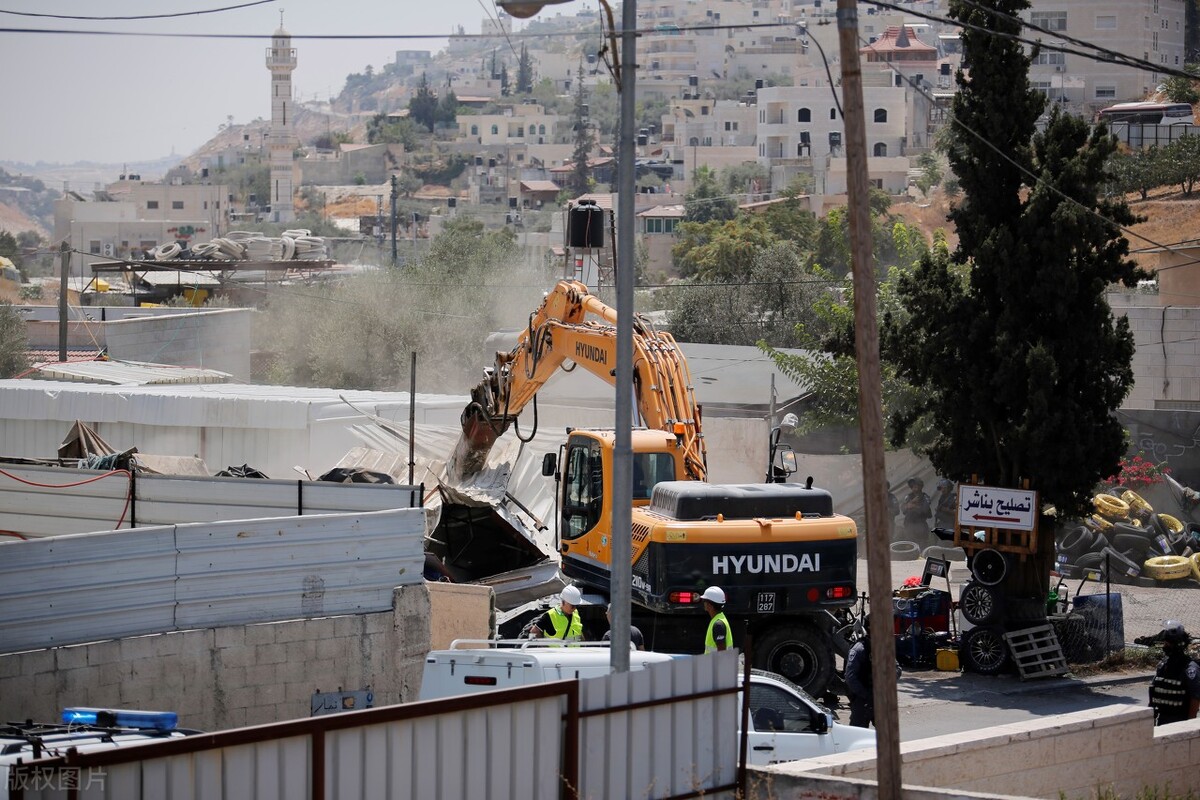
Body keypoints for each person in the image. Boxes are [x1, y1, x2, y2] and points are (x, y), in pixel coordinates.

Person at [1141, 620, 1200, 725]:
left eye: (1167, 644)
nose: (1164, 646)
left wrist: (1190, 724)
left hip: (1180, 720)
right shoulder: (1163, 664)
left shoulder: (1190, 668)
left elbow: (1195, 697)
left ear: (1177, 645)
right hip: (1162, 719)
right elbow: (1155, 690)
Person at [844, 620, 875, 728]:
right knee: (857, 736)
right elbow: (850, 677)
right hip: (862, 699)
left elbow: (897, 668)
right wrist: (866, 694)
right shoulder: (859, 649)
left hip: (880, 699)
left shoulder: (884, 647)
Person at [900, 477, 932, 544]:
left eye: (916, 485)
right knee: (909, 546)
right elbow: (903, 509)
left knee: (921, 546)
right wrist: (911, 503)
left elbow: (925, 510)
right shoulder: (908, 496)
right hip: (909, 525)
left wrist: (914, 506)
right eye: (912, 485)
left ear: (920, 486)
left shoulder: (925, 497)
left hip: (920, 525)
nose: (914, 487)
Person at [701, 586, 730, 653]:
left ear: (710, 605)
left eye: (704, 600)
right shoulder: (719, 619)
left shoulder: (718, 625)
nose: (703, 603)